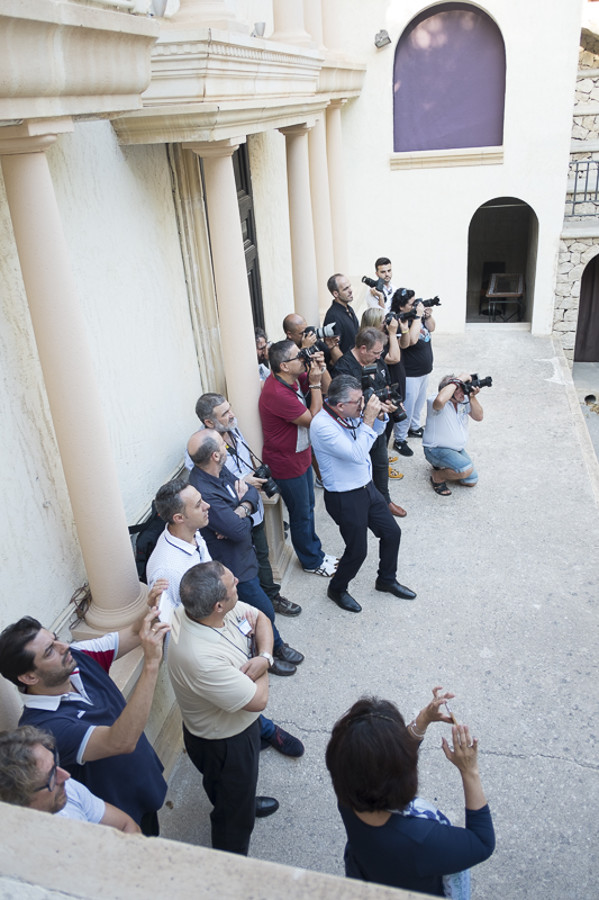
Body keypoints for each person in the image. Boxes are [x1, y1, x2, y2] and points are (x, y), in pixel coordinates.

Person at [147, 477, 304, 757]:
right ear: (179, 517)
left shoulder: (194, 534)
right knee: (239, 704)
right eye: (199, 504)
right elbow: (172, 632)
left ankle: (259, 733)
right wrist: (215, 656)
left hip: (222, 632)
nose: (207, 505)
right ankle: (263, 733)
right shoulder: (164, 569)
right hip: (207, 654)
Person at [0, 602, 169, 835]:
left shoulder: (76, 657)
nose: (64, 647)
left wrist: (153, 608)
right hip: (115, 818)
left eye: (56, 638)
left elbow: (133, 632)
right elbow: (121, 741)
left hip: (145, 787)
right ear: (29, 676)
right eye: (49, 651)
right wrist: (151, 664)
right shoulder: (44, 729)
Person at [325, 688, 495, 896]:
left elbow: (379, 764)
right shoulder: (420, 841)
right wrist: (469, 771)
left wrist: (423, 720)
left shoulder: (347, 792)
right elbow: (482, 842)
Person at [167, 561, 280, 856]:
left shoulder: (195, 612)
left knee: (232, 792)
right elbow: (259, 700)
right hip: (224, 744)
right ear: (218, 605)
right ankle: (231, 864)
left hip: (230, 728)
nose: (238, 582)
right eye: (233, 585)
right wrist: (263, 663)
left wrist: (264, 655)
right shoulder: (201, 658)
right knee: (233, 820)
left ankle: (242, 801)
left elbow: (261, 620)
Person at [187, 428, 304, 675]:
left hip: (244, 555)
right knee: (263, 610)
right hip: (233, 564)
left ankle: (275, 647)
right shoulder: (202, 489)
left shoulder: (219, 471)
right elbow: (237, 530)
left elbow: (250, 492)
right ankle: (268, 655)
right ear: (215, 456)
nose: (226, 446)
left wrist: (240, 511)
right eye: (222, 445)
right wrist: (239, 516)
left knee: (255, 611)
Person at [310, 375, 416, 612]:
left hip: (367, 488)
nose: (363, 404)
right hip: (344, 497)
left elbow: (369, 438)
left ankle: (386, 580)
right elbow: (357, 453)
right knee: (357, 551)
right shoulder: (322, 426)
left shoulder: (348, 414)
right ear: (340, 405)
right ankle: (337, 589)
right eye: (358, 401)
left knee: (392, 533)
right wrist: (367, 420)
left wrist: (378, 419)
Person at [192, 392, 301, 617]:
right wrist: (243, 490)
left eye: (230, 408)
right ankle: (254, 610)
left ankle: (271, 596)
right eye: (225, 413)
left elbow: (247, 475)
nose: (232, 415)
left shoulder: (233, 429)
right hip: (229, 520)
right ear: (209, 422)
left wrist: (249, 492)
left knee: (261, 553)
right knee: (243, 570)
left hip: (251, 508)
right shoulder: (200, 448)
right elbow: (213, 486)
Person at [259, 340, 337, 577]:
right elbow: (315, 420)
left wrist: (321, 370)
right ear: (284, 365)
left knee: (309, 507)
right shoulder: (276, 392)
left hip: (301, 456)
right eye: (298, 356)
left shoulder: (290, 379)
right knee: (301, 514)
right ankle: (312, 561)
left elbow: (330, 388)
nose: (303, 358)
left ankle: (316, 552)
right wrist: (313, 384)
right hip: (286, 463)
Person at [0, 725, 140, 832]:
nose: (66, 776)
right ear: (19, 802)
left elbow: (126, 826)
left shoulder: (66, 790)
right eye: (51, 777)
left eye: (56, 764)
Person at [332, 327, 406, 518]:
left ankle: (385, 502)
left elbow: (387, 384)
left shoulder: (377, 359)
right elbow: (346, 403)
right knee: (358, 468)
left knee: (381, 464)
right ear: (362, 348)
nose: (380, 356)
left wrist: (392, 402)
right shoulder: (344, 367)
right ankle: (362, 508)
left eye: (380, 352)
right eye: (376, 352)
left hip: (378, 425)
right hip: (355, 429)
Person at [423, 374, 484, 496]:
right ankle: (437, 477)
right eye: (459, 390)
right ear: (449, 391)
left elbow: (479, 417)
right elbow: (440, 401)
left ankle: (442, 465)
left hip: (455, 450)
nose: (463, 394)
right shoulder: (434, 401)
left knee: (471, 480)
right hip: (435, 449)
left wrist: (472, 397)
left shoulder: (463, 401)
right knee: (465, 469)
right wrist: (459, 379)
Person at [392, 292, 436, 458]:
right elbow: (411, 340)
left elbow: (431, 328)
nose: (416, 305)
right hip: (410, 374)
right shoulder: (402, 321)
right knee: (407, 408)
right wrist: (417, 317)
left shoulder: (418, 317)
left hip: (424, 371)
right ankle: (400, 439)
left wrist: (428, 316)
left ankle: (414, 428)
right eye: (411, 303)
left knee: (418, 404)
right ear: (401, 306)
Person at [323, 274, 359, 354]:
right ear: (336, 294)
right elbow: (334, 349)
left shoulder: (349, 309)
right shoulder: (333, 316)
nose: (350, 290)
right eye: (345, 289)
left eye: (349, 286)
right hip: (345, 365)